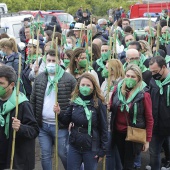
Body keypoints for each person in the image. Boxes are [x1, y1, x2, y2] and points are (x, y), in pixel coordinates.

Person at [30, 49, 76, 170]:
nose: (51, 63)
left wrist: (71, 119)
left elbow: (75, 101)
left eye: (53, 61)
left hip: (60, 125)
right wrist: (34, 120)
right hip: (43, 125)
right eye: (49, 60)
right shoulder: (40, 78)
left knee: (63, 153)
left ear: (59, 61)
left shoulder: (69, 79)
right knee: (45, 155)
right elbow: (33, 100)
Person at [53, 73, 108, 170]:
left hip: (91, 146)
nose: (85, 87)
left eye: (88, 85)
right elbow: (66, 120)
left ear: (93, 87)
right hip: (75, 144)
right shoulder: (74, 101)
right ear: (78, 86)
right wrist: (59, 112)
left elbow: (104, 128)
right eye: (82, 85)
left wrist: (102, 150)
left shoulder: (98, 104)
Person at [110, 64, 154, 170]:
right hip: (118, 132)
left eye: (133, 77)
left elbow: (149, 118)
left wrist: (147, 140)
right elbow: (112, 106)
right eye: (128, 75)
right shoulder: (117, 89)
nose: (129, 78)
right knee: (121, 160)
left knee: (128, 164)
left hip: (133, 134)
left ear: (138, 78)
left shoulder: (143, 94)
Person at [0, 65, 39, 169]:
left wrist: (20, 127)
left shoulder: (22, 104)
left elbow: (34, 130)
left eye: (1, 84)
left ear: (11, 85)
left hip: (16, 160)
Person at [101, 59, 124, 170]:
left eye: (107, 68)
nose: (105, 70)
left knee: (109, 152)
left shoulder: (121, 84)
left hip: (113, 122)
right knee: (113, 151)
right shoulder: (105, 82)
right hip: (105, 120)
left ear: (114, 70)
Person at [149, 56, 170, 170]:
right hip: (156, 124)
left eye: (156, 71)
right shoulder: (153, 81)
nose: (153, 74)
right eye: (151, 71)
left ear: (164, 67)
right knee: (154, 154)